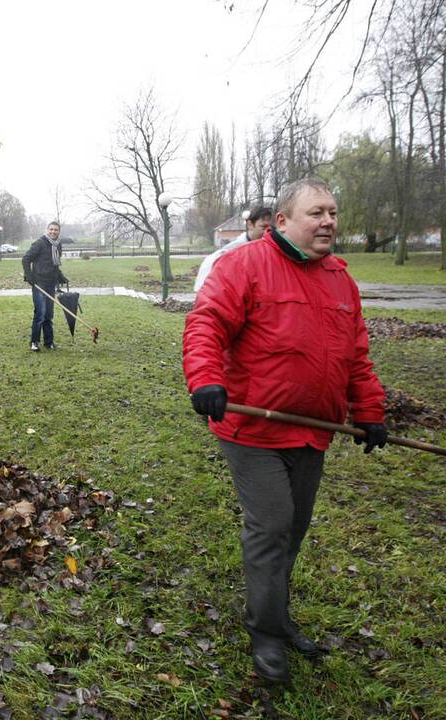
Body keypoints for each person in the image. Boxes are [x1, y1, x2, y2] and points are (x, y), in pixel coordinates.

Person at [182, 178, 388, 682]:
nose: (329, 222)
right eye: (317, 212)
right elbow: (206, 324)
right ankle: (267, 633)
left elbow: (354, 355)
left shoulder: (340, 279)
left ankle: (275, 611)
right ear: (282, 221)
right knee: (271, 526)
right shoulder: (243, 266)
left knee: (292, 530)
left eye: (333, 213)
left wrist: (370, 409)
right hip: (253, 427)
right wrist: (207, 379)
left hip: (313, 430)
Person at [192, 205, 274, 291]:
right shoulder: (231, 252)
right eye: (263, 227)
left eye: (271, 228)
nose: (268, 231)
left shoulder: (270, 249)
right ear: (250, 224)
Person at [21, 220, 68, 351]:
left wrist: (60, 276)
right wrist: (29, 276)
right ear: (47, 230)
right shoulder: (40, 243)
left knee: (49, 314)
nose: (53, 232)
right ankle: (34, 342)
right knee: (40, 313)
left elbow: (55, 264)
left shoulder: (58, 245)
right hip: (39, 283)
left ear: (59, 232)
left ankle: (49, 342)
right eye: (51, 229)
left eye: (56, 230)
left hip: (50, 283)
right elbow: (26, 259)